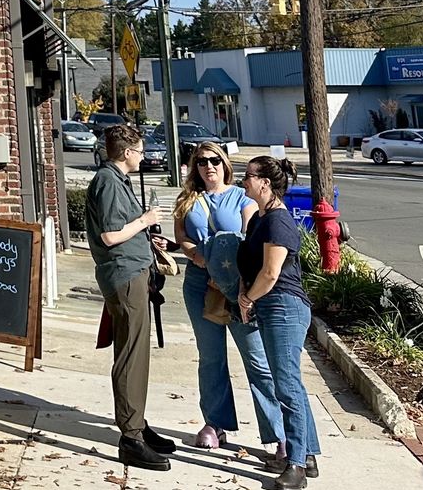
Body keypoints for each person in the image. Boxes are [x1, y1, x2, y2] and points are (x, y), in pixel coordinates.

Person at [174, 146, 282, 453]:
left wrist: (229, 270)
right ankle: (215, 423)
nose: (209, 166)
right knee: (211, 357)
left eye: (214, 160)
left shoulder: (242, 197)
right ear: (194, 167)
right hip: (199, 284)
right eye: (201, 161)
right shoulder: (187, 199)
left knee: (257, 359)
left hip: (237, 285)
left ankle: (278, 434)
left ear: (225, 164)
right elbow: (181, 235)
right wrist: (195, 255)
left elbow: (250, 235)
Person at [86, 125, 178, 470]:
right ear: (126, 153)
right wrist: (145, 220)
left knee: (137, 354)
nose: (142, 156)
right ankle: (131, 437)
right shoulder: (109, 182)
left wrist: (146, 238)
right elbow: (110, 235)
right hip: (123, 276)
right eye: (140, 151)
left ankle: (137, 422)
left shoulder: (114, 180)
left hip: (132, 272)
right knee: (131, 355)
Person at [238, 156, 320, 490]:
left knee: (286, 385)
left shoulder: (278, 221)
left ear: (265, 183)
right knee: (288, 383)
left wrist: (248, 298)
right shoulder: (260, 219)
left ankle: (297, 465)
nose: (244, 181)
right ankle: (308, 453)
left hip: (283, 307)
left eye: (248, 176)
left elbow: (271, 273)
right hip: (270, 307)